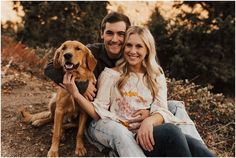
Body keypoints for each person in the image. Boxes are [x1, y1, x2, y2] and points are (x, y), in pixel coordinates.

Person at [44, 11, 209, 155]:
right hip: (104, 116)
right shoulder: (91, 53)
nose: (115, 40)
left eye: (121, 35)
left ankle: (199, 149)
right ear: (102, 34)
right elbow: (52, 68)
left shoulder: (151, 69)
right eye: (109, 33)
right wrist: (80, 88)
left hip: (128, 110)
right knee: (127, 130)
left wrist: (150, 117)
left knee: (176, 107)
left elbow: (159, 104)